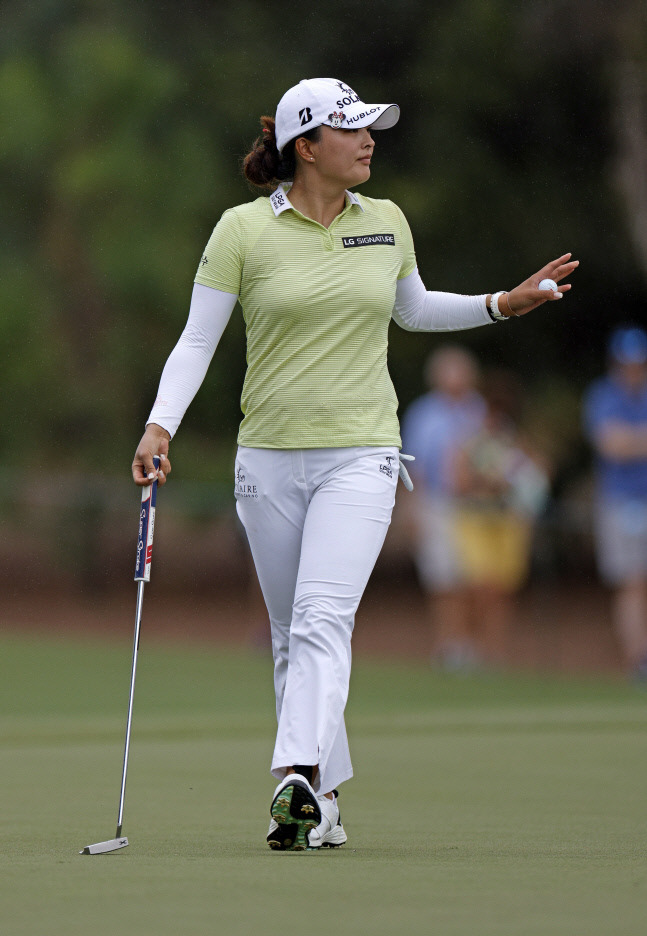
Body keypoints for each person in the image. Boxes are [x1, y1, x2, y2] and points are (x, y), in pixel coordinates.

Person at [131, 77, 578, 851]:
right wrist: (159, 425)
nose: (370, 140)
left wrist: (500, 305)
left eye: (371, 128)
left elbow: (411, 307)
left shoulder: (389, 220)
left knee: (321, 620)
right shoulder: (241, 231)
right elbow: (197, 340)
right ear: (307, 146)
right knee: (289, 635)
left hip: (361, 453)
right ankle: (324, 802)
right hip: (266, 460)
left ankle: (293, 776)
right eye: (352, 130)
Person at [451, 371, 550, 667]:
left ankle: (495, 651)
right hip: (477, 519)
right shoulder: (472, 441)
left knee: (503, 589)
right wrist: (489, 482)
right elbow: (460, 481)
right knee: (480, 585)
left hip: (507, 520)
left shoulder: (519, 442)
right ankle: (469, 645)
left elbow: (538, 476)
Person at [401, 346, 486, 670]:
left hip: (474, 507)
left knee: (474, 577)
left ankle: (472, 643)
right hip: (437, 503)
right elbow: (416, 466)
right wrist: (412, 509)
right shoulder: (424, 413)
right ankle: (449, 644)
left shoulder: (478, 410)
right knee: (443, 579)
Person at [583, 326, 647, 680]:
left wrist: (630, 440)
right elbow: (611, 445)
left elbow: (623, 442)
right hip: (622, 502)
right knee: (632, 581)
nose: (633, 369)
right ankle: (638, 659)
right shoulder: (603, 395)